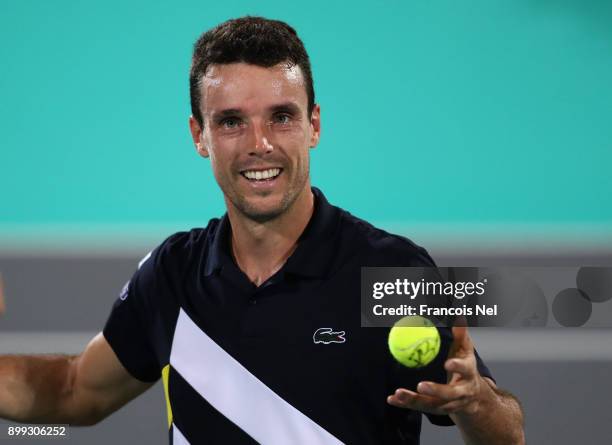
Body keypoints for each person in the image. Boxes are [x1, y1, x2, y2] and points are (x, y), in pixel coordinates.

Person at [0, 16, 524, 445]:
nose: (260, 144)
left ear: (313, 126)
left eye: (281, 117)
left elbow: (508, 435)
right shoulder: (171, 272)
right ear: (199, 136)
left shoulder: (395, 272)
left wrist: (475, 402)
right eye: (231, 121)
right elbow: (73, 392)